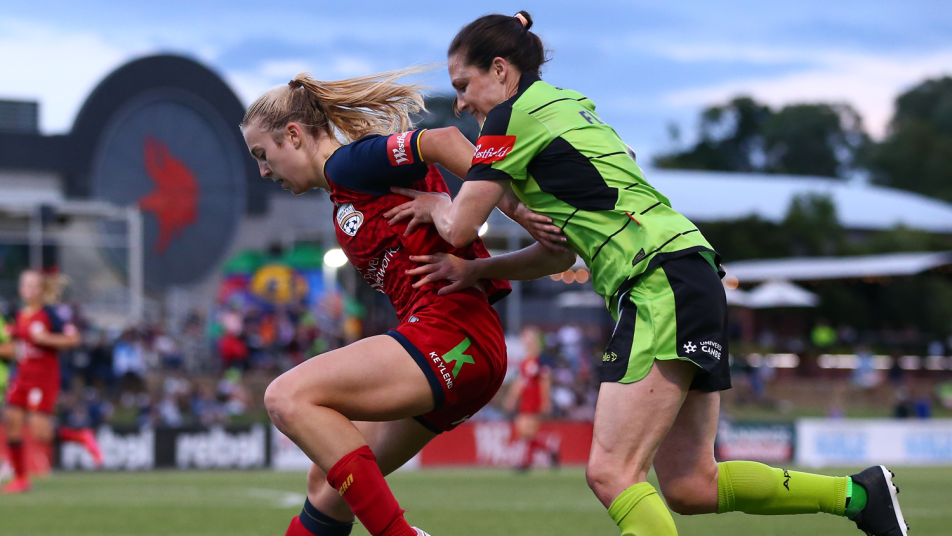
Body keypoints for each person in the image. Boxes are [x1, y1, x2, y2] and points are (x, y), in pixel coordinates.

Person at [387, 11, 907, 536]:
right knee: (691, 485)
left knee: (612, 473)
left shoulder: (508, 119)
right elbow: (560, 255)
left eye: (463, 85)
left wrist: (438, 202)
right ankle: (860, 496)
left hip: (656, 281)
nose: (460, 103)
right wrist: (479, 270)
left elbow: (458, 225)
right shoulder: (567, 106)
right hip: (690, 273)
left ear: (500, 70)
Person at [241, 69, 548, 536]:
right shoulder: (345, 190)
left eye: (263, 155)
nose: (264, 171)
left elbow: (444, 140)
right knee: (326, 487)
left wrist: (522, 212)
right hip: (462, 347)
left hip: (450, 334)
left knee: (286, 396)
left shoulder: (349, 164)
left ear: (295, 135)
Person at [1, 270, 103, 494]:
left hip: (43, 379)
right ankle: (21, 479)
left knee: (40, 433)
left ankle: (80, 435)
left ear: (40, 290)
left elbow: (73, 339)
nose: (27, 290)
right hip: (22, 376)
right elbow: (18, 348)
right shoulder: (20, 315)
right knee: (12, 422)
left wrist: (46, 338)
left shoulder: (50, 314)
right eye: (24, 285)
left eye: (32, 286)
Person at [503, 326, 557, 471]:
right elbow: (520, 383)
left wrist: (546, 402)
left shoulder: (541, 361)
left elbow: (545, 383)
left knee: (527, 431)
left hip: (535, 400)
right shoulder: (525, 361)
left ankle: (526, 462)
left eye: (527, 338)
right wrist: (512, 398)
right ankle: (549, 451)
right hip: (525, 400)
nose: (525, 341)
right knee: (524, 432)